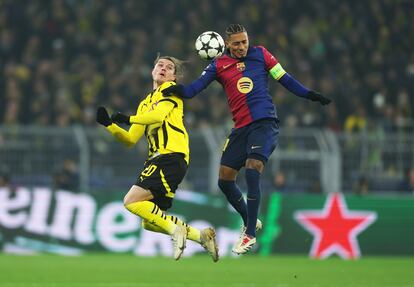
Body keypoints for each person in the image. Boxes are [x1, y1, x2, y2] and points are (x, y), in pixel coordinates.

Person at [162, 24, 331, 254]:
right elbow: (193, 90)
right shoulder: (218, 65)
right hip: (240, 129)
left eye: (244, 42)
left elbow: (285, 79)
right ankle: (250, 218)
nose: (242, 47)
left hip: (264, 123)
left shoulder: (261, 54)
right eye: (236, 43)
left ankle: (249, 233)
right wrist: (174, 89)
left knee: (253, 167)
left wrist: (310, 94)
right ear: (226, 44)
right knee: (224, 180)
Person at [96, 55, 218, 262]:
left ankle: (175, 230)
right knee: (149, 221)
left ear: (174, 77)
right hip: (159, 159)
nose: (163, 68)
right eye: (160, 65)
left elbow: (158, 117)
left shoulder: (170, 91)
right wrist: (109, 125)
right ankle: (201, 236)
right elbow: (131, 139)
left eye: (169, 67)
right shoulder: (145, 103)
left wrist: (127, 118)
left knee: (130, 201)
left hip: (171, 155)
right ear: (152, 71)